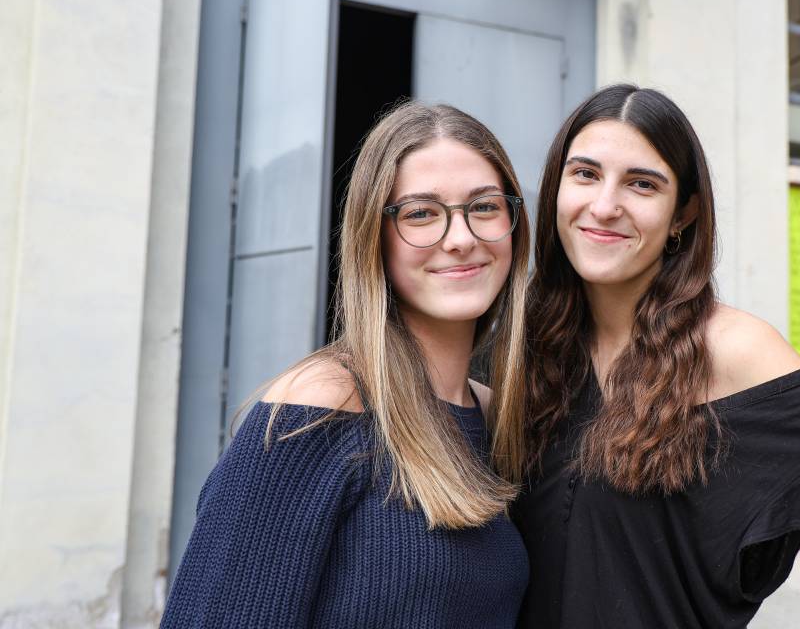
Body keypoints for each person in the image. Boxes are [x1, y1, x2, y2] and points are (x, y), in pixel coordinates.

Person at [506, 84, 800, 628]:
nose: (605, 205)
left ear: (682, 213)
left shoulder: (737, 352)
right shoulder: (527, 348)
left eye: (642, 184)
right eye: (585, 174)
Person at [162, 103, 531, 628]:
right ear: (373, 239)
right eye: (420, 213)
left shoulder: (496, 417)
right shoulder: (320, 408)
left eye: (485, 207)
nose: (461, 238)